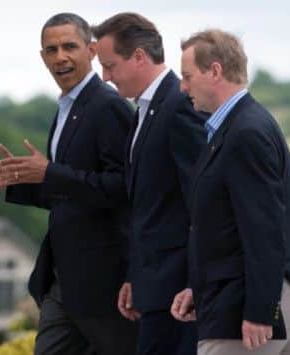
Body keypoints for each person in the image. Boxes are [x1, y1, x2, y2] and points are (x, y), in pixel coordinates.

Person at [0, 13, 137, 355]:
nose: (60, 56)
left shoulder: (107, 106)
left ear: (91, 50)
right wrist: (20, 179)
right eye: (51, 49)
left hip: (104, 283)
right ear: (42, 57)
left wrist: (49, 173)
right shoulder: (66, 108)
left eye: (69, 46)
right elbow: (70, 191)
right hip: (63, 281)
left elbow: (123, 187)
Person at [171, 29, 290, 355]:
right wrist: (198, 288)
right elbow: (225, 228)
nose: (182, 86)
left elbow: (263, 229)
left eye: (187, 76)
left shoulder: (245, 132)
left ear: (215, 71)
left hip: (249, 304)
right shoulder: (238, 127)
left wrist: (261, 311)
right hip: (262, 297)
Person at [91, 12, 206, 355]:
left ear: (139, 57)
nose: (105, 77)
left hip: (178, 297)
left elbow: (199, 202)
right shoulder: (145, 109)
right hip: (155, 287)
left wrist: (194, 285)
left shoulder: (179, 105)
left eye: (110, 66)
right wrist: (134, 277)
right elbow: (147, 208)